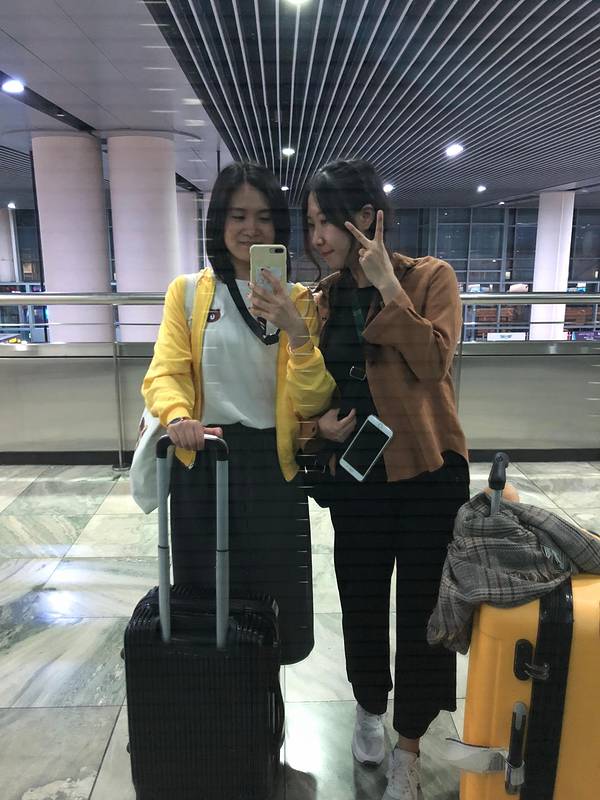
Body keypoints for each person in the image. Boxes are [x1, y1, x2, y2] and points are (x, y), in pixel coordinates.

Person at [301, 160, 470, 800]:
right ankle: (369, 705)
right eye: (311, 223)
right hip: (357, 476)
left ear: (367, 218)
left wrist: (388, 289)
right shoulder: (320, 299)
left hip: (428, 474)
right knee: (362, 599)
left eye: (327, 221)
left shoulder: (430, 278)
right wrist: (316, 424)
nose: (317, 237)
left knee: (424, 612)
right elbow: (303, 387)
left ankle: (409, 747)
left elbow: (435, 362)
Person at [142, 161, 335, 665]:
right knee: (205, 596)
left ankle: (263, 696)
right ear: (219, 222)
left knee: (274, 596)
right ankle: (216, 695)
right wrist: (177, 416)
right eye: (238, 216)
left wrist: (296, 331)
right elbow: (165, 371)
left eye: (264, 217)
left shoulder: (299, 300)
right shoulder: (187, 292)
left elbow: (312, 400)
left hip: (273, 465)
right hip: (204, 455)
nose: (251, 228)